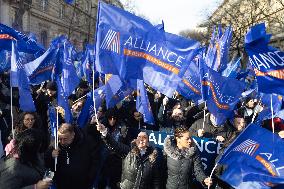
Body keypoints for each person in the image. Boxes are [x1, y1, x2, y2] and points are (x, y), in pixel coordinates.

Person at [97, 123, 162, 189]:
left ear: (148, 142)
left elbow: (156, 181)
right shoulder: (129, 152)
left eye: (144, 137)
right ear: (136, 140)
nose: (141, 139)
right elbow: (115, 145)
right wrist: (104, 132)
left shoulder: (153, 159)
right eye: (139, 137)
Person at [44, 123, 100, 189]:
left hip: (82, 184)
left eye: (65, 139)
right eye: (60, 138)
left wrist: (89, 179)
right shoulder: (56, 144)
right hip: (61, 184)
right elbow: (49, 166)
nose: (62, 142)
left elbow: (95, 161)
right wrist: (51, 156)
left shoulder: (87, 142)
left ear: (73, 135)